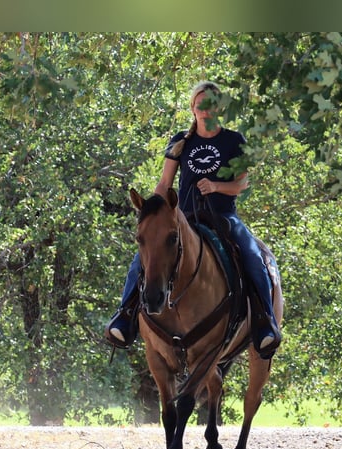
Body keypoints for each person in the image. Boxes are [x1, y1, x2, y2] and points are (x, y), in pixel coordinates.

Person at [105, 81, 281, 359]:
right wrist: (152, 210)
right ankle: (124, 317)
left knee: (252, 256)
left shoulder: (234, 141)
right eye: (200, 104)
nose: (205, 110)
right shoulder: (180, 142)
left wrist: (215, 187)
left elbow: (242, 184)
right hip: (183, 219)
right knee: (143, 258)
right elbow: (164, 184)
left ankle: (264, 324)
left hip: (223, 216)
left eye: (211, 104)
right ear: (193, 108)